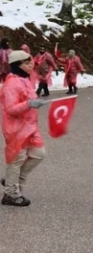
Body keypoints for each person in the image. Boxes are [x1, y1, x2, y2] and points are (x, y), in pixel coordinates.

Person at [0, 51, 47, 206]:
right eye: (26, 63)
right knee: (17, 160)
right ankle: (10, 194)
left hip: (30, 127)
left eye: (30, 62)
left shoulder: (25, 80)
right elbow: (11, 109)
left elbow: (29, 100)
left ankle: (11, 181)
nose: (30, 65)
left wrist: (35, 102)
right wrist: (29, 104)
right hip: (16, 129)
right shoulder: (11, 83)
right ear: (17, 65)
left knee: (39, 154)